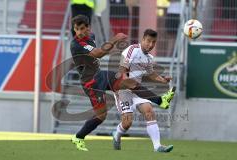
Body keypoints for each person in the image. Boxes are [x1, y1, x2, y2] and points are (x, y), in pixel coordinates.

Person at [70, 15, 175, 151]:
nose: (79, 32)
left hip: (100, 74)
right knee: (101, 116)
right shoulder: (77, 44)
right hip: (90, 82)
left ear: (88, 28)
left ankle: (161, 100)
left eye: (82, 28)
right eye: (77, 29)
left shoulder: (91, 36)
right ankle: (78, 137)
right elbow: (99, 53)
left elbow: (98, 52)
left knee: (127, 82)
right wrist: (115, 39)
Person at [112, 29, 174, 152]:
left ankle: (157, 146)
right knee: (127, 123)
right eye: (148, 41)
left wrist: (162, 80)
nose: (150, 45)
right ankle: (117, 135)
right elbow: (122, 70)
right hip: (123, 90)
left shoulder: (149, 58)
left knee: (149, 111)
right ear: (143, 39)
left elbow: (151, 73)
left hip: (137, 90)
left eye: (153, 42)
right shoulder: (132, 50)